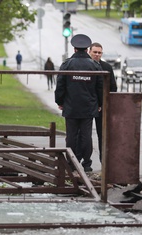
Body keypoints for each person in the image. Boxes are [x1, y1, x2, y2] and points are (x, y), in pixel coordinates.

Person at [54, 34, 103, 172]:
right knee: (86, 136)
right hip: (88, 107)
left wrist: (60, 101)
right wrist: (99, 103)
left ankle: (70, 162)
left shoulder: (67, 65)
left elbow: (60, 86)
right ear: (87, 49)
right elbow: (100, 87)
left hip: (71, 106)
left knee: (71, 136)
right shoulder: (94, 66)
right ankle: (87, 164)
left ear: (74, 49)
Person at [88, 42, 118, 163]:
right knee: (85, 135)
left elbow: (113, 87)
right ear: (89, 52)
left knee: (103, 135)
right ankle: (85, 161)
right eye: (94, 52)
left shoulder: (107, 67)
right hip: (89, 105)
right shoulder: (86, 66)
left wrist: (106, 103)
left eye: (99, 52)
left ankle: (104, 160)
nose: (97, 55)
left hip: (103, 107)